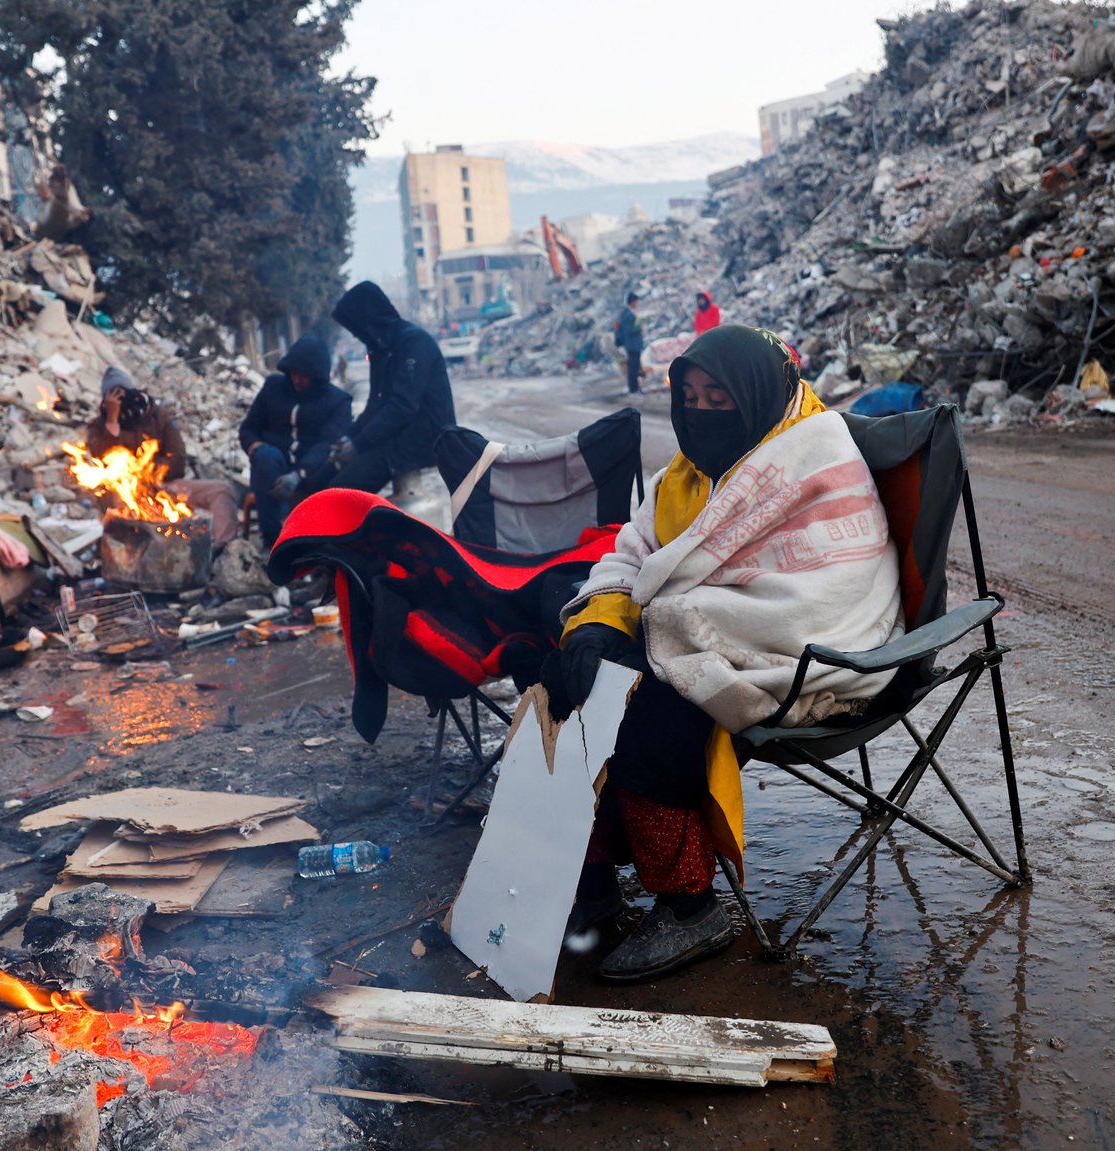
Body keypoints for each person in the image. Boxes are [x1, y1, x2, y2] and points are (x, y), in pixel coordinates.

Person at [542, 325, 903, 982]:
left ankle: (690, 905)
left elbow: (829, 595)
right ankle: (591, 881)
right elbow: (634, 554)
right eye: (692, 395)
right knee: (573, 670)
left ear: (759, 394)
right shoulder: (684, 474)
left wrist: (663, 625)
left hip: (810, 659)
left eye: (721, 397)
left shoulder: (811, 456)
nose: (703, 412)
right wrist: (601, 621)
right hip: (700, 631)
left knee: (650, 704)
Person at [325, 281, 457, 494]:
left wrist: (360, 444)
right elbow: (376, 403)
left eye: (356, 328)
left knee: (339, 495)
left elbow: (403, 406)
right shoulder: (380, 348)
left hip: (422, 439)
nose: (356, 336)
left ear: (367, 320)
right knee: (323, 479)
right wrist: (350, 436)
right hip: (395, 435)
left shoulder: (413, 343)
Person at [84, 365, 238, 539]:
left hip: (166, 486)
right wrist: (112, 422)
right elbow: (102, 461)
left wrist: (151, 473)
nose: (122, 401)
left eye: (124, 393)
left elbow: (178, 458)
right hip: (126, 496)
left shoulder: (157, 416)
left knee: (221, 490)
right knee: (118, 508)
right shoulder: (99, 426)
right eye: (114, 396)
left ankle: (220, 549)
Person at [238, 336, 352, 546]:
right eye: (294, 374)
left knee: (336, 465)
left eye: (304, 376)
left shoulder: (338, 401)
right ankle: (272, 540)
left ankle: (316, 544)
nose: (297, 380)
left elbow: (328, 443)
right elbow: (249, 428)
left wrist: (299, 474)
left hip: (313, 469)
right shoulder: (274, 388)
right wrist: (254, 447)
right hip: (274, 465)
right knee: (265, 458)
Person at [613, 291, 646, 394]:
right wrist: (638, 327)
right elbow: (628, 330)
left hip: (633, 344)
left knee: (634, 367)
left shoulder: (628, 313)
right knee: (633, 368)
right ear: (632, 302)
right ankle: (633, 389)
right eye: (636, 302)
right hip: (632, 345)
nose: (637, 304)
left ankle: (635, 388)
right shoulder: (627, 314)